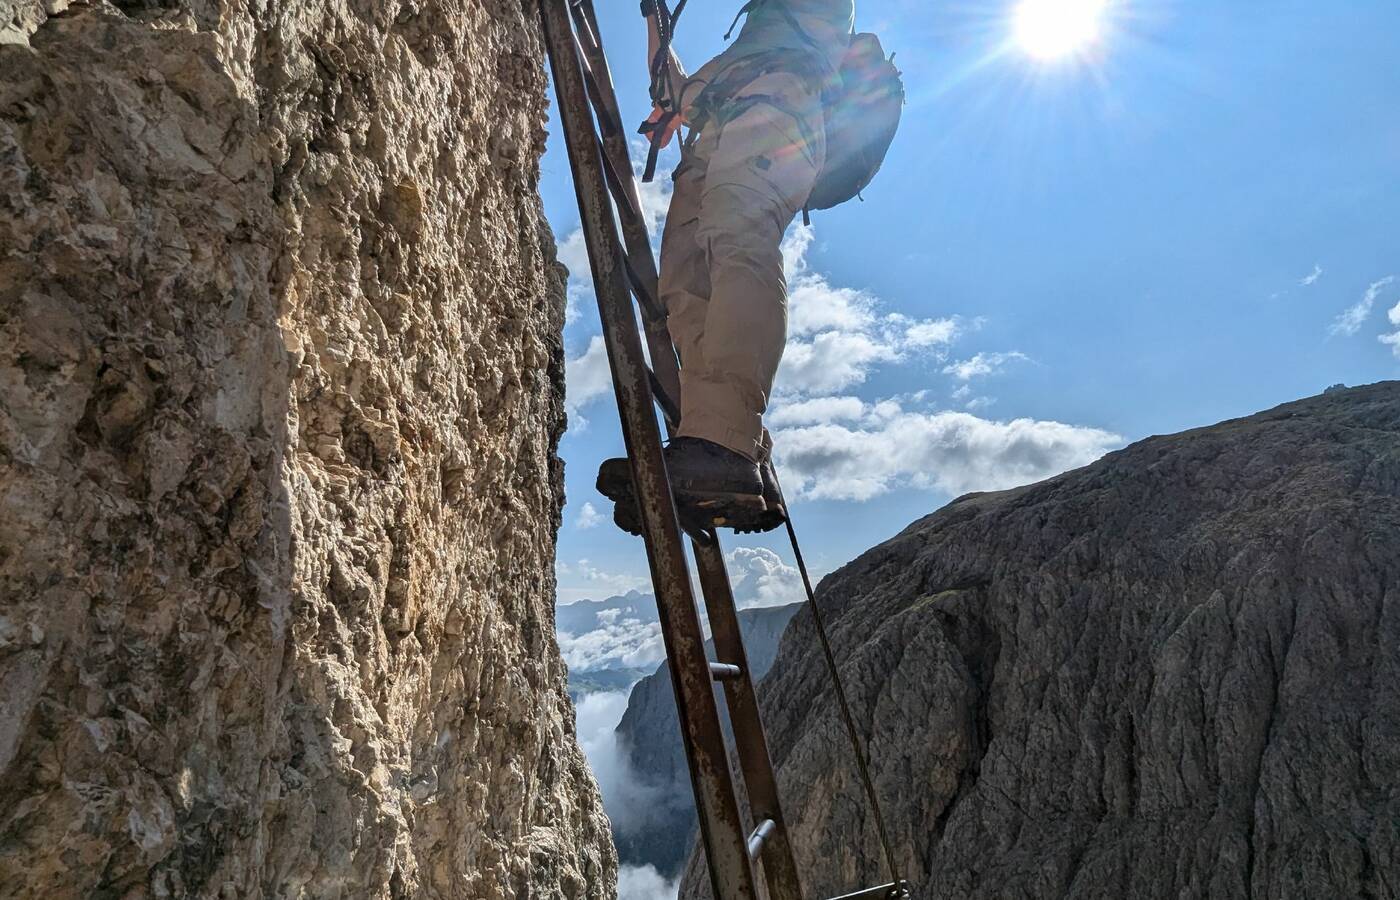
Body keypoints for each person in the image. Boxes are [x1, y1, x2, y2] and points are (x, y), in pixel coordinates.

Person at [598, 0, 854, 534]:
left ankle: (725, 443)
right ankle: (716, 443)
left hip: (777, 114)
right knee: (684, 286)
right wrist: (652, 14)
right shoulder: (735, 61)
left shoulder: (803, 28)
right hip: (720, 133)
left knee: (740, 241)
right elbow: (673, 90)